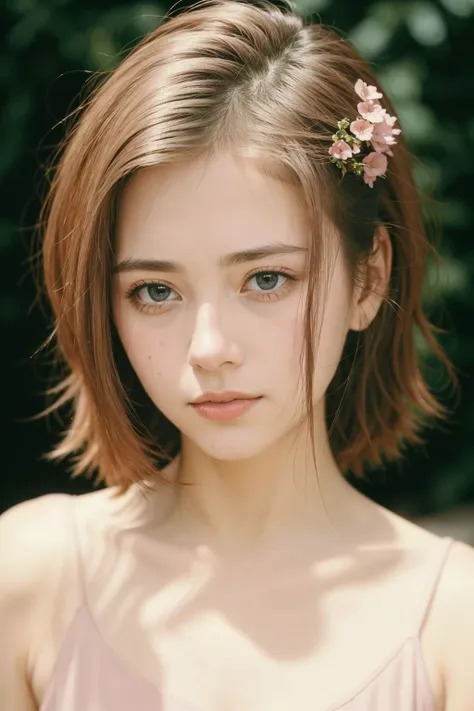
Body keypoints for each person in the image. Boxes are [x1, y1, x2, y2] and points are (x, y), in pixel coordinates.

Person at [1, 0, 473, 709]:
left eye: (266, 279)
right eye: (156, 290)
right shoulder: (30, 578)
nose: (210, 348)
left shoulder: (451, 624)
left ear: (369, 278)